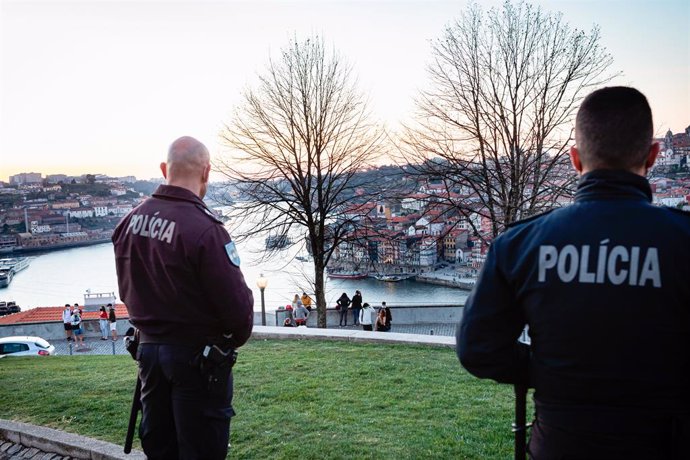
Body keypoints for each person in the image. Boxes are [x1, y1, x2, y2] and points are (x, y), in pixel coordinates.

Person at [456, 87, 690, 459]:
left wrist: (547, 370)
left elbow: (478, 349)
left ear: (576, 160)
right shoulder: (682, 239)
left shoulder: (520, 244)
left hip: (561, 443)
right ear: (653, 155)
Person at [112, 136, 254, 460]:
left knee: (160, 447)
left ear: (164, 169)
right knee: (201, 450)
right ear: (206, 172)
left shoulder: (128, 223)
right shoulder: (205, 230)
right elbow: (239, 313)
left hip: (148, 355)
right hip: (197, 361)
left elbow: (127, 290)